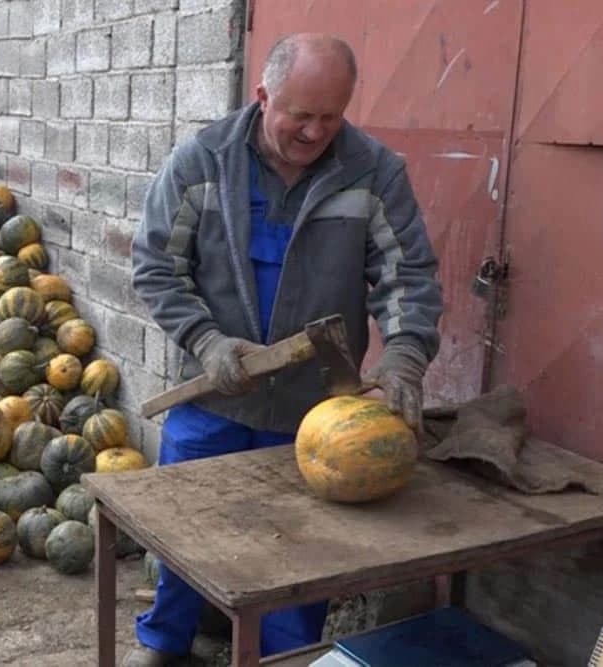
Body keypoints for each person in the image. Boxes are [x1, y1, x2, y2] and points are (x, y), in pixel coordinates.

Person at [125, 32, 444, 666]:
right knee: (188, 526)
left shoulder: (374, 171)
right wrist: (205, 341)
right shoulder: (202, 161)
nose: (314, 132)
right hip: (216, 393)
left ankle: (287, 658)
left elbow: (409, 276)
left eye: (331, 117)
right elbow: (156, 267)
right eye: (300, 115)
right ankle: (164, 642)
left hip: (315, 410)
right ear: (263, 94)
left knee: (298, 553)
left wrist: (405, 355)